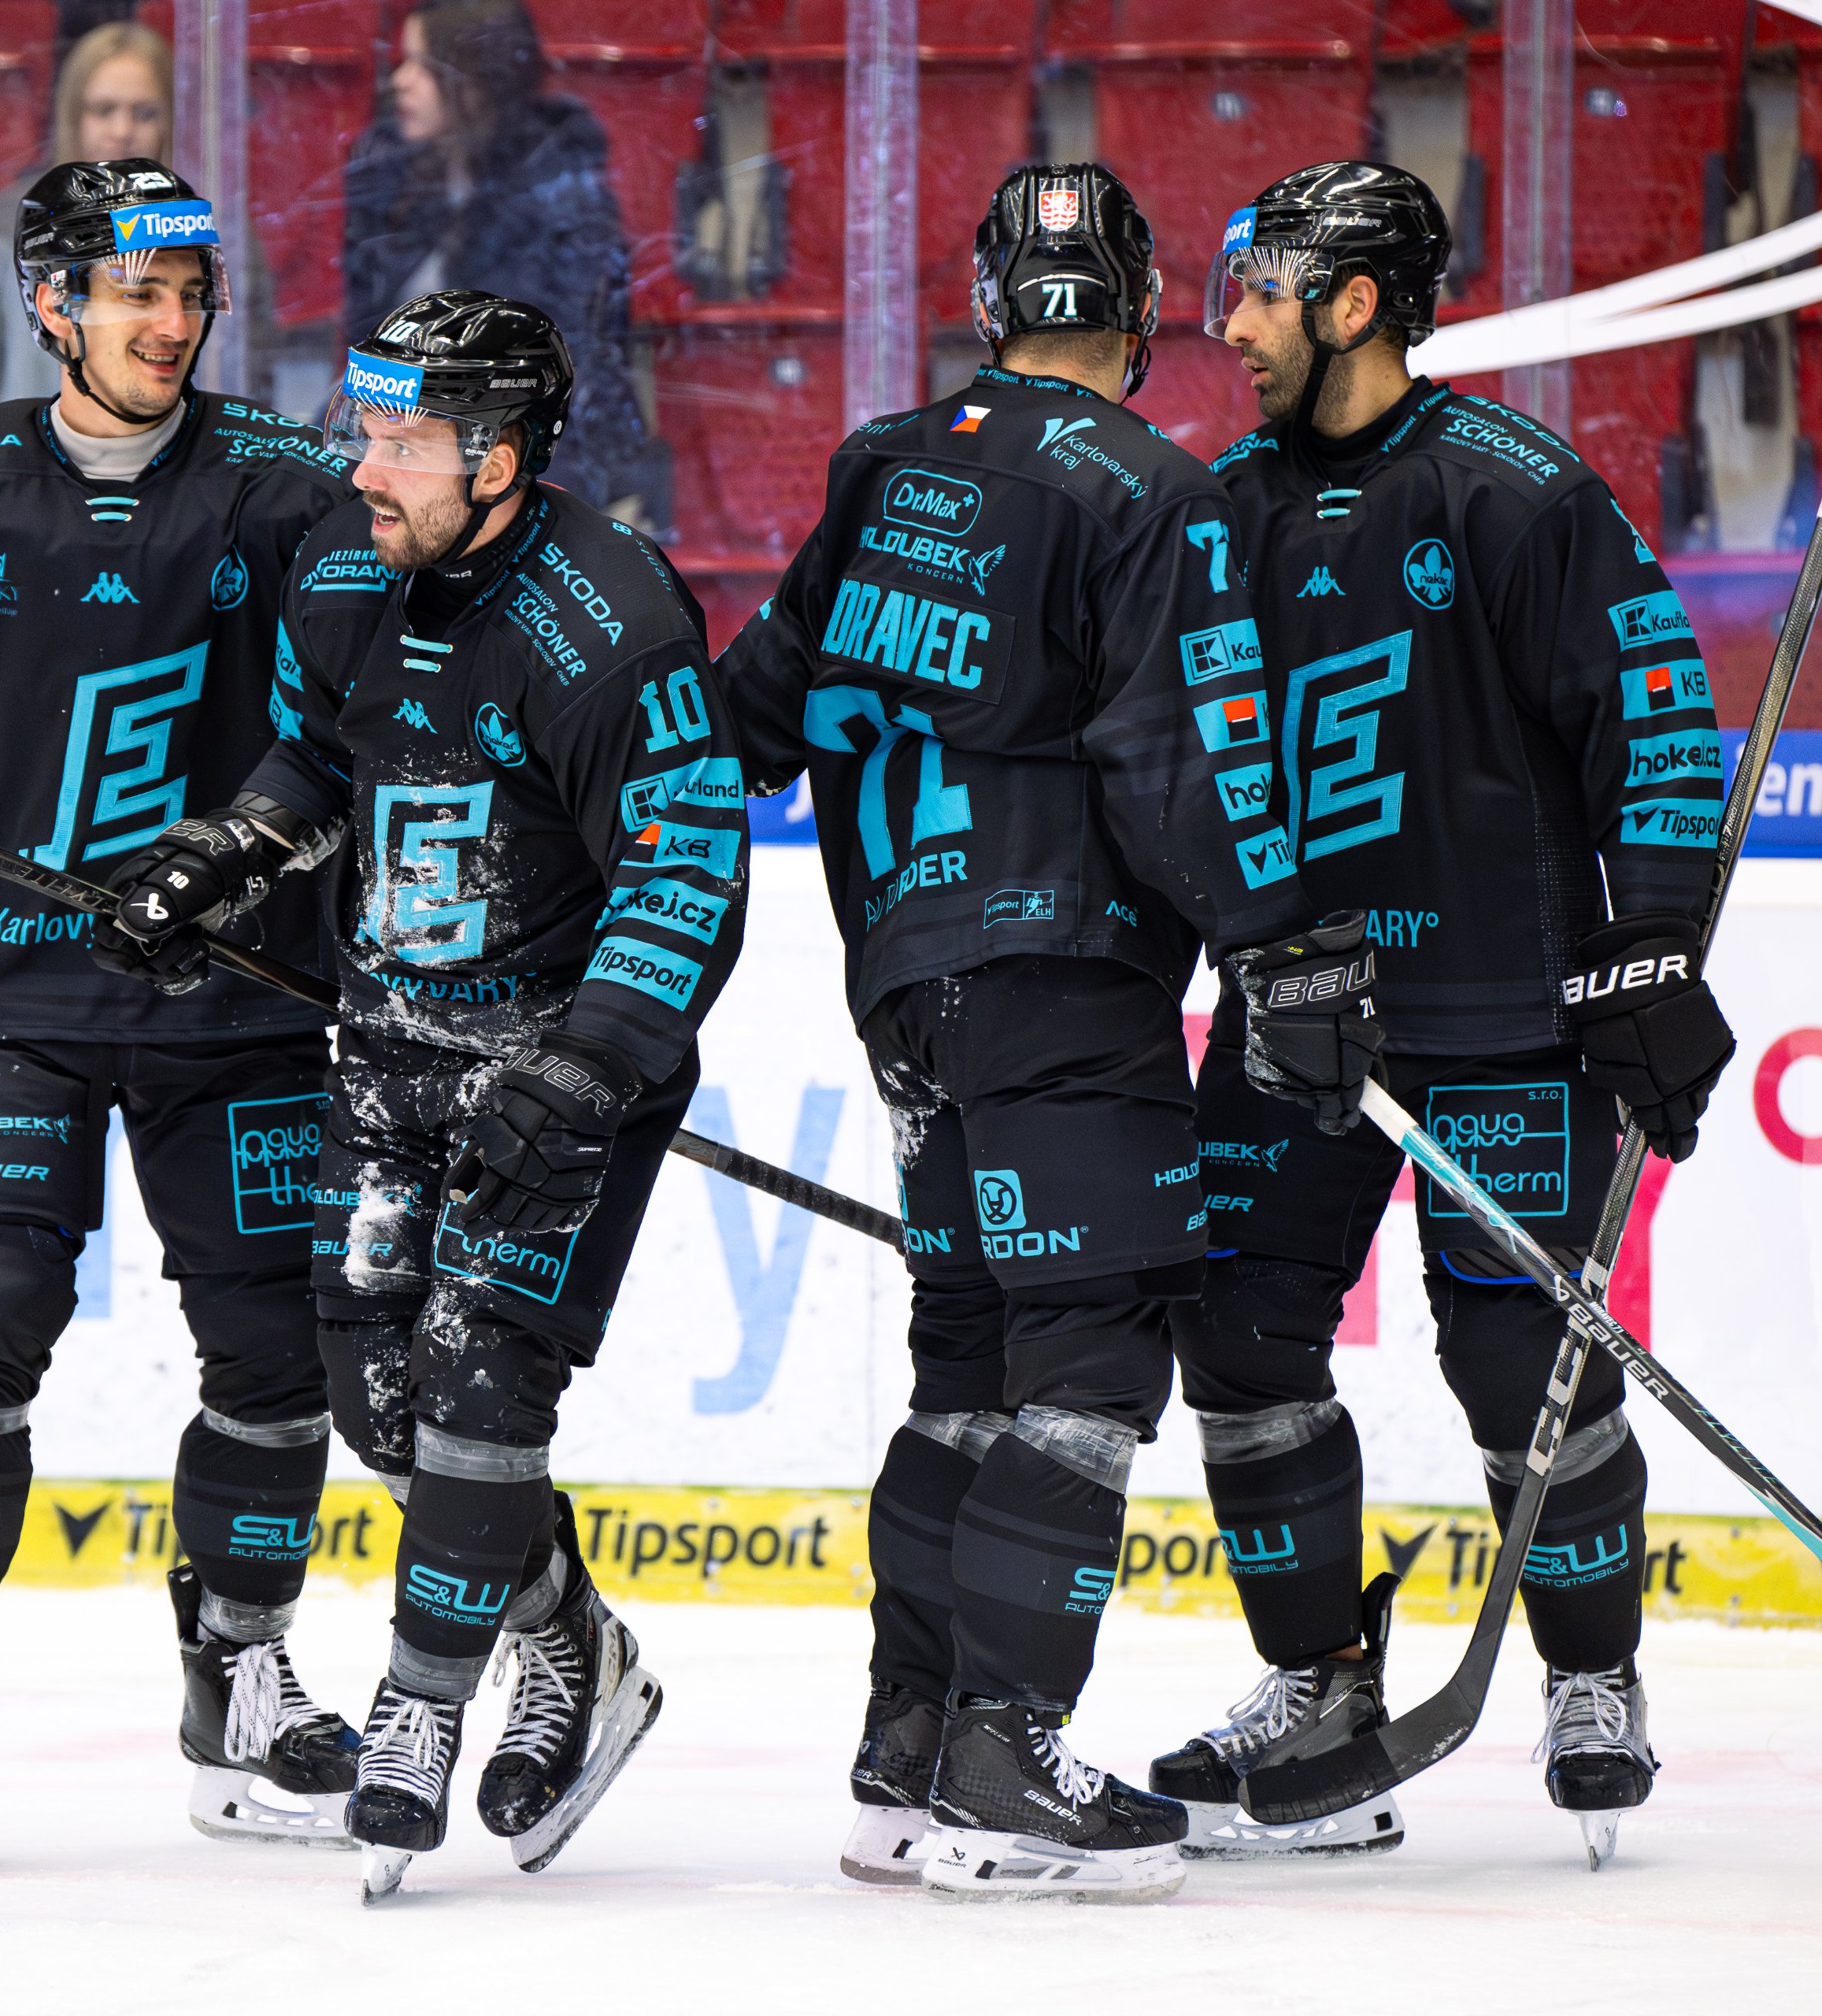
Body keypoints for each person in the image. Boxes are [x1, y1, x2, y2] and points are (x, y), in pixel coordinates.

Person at [719, 164, 1374, 1903]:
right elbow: (1186, 756)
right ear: (1142, 311)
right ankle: (1008, 1750)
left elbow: (747, 716)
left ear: (990, 298)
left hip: (905, 985)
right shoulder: (1154, 492)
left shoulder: (881, 462)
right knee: (1085, 1363)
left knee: (965, 1361)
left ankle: (908, 1753)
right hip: (1064, 977)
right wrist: (1286, 953)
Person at [98, 289, 745, 1897]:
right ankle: (575, 1641)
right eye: (363, 429)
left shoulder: (611, 616)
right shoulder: (344, 566)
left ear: (501, 458)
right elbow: (320, 759)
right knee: (379, 1404)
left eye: (402, 441)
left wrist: (585, 1065)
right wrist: (222, 853)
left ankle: (421, 1707)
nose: (363, 467)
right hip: (386, 1058)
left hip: (556, 1080)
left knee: (478, 1388)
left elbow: (686, 873)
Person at [0, 158, 365, 1867]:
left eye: (190, 294)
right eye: (133, 293)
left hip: (239, 992)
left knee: (277, 1345)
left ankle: (240, 1671)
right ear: (51, 304)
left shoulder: (291, 490)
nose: (171, 324)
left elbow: (343, 729)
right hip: (5, 993)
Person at [1156, 161, 1735, 1870]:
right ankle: (1316, 1683)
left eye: (1262, 290)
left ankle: (1592, 1674)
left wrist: (1648, 952)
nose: (1230, 322)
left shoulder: (1515, 491)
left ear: (1353, 304)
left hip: (1501, 1022)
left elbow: (1658, 726)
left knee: (1516, 1361)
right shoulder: (1218, 512)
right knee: (1241, 1339)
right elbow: (1178, 765)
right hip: (1292, 1017)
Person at [343, 0, 663, 528]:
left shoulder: (556, 187)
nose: (400, 81)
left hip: (518, 447)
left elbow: (571, 364)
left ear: (475, 81)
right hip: (405, 428)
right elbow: (366, 335)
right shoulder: (393, 177)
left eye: (423, 65)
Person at [0, 22, 176, 454]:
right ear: (73, 118)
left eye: (145, 114)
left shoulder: (214, 228)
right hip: (19, 472)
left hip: (166, 468)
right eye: (104, 111)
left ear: (172, 121)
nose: (122, 131)